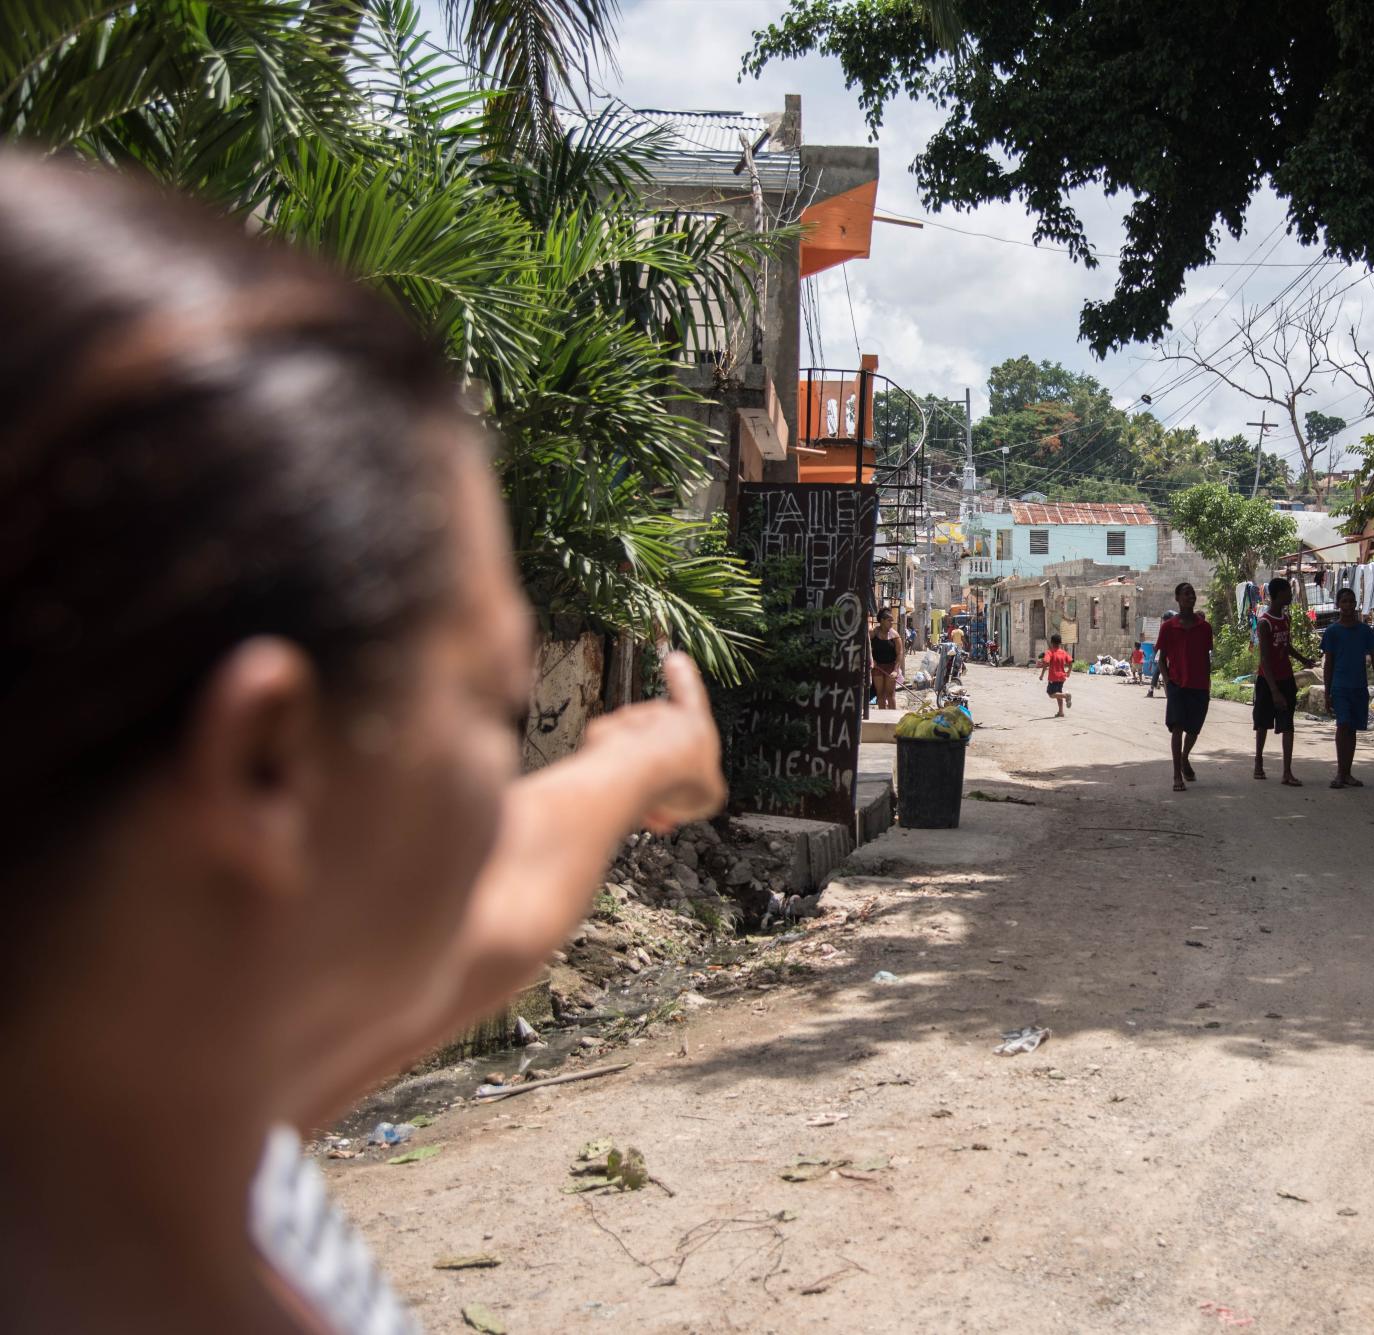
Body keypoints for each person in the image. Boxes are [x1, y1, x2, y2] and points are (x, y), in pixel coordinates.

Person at [0, 154, 728, 1333]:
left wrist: (644, 760)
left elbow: (494, 909)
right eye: (491, 708)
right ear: (266, 765)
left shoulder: (133, 1096)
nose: (503, 787)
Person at [1319, 587, 1374, 788]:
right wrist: (1327, 692)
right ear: (1338, 605)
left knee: (1352, 730)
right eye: (1344, 601)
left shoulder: (1364, 631)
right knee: (1343, 726)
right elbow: (1328, 664)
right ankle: (1340, 773)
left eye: (1351, 601)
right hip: (1339, 687)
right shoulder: (1332, 632)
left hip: (1359, 687)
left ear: (1355, 604)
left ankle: (1348, 773)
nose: (1348, 605)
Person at [1252, 576, 1317, 785]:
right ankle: (1258, 762)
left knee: (1288, 725)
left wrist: (1303, 660)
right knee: (1263, 724)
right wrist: (1274, 691)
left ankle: (1287, 771)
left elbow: (1286, 646)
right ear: (1279, 594)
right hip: (1267, 681)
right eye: (1289, 591)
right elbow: (1264, 659)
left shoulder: (1285, 619)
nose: (1291, 595)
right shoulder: (1265, 623)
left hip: (1286, 678)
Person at [1154, 582, 1213, 792]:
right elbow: (1161, 659)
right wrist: (1168, 683)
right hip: (1177, 684)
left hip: (1199, 686)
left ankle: (1184, 757)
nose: (1191, 596)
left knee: (1194, 729)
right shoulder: (1168, 627)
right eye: (1186, 593)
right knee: (1177, 728)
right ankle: (1176, 775)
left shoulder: (1205, 627)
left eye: (1193, 593)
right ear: (1177, 598)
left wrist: (1208, 684)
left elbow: (1206, 658)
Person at [870, 606, 904, 709]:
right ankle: (882, 717)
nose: (891, 623)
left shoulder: (895, 635)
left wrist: (896, 670)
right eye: (889, 620)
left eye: (892, 621)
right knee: (880, 695)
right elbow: (866, 647)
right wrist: (872, 660)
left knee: (890, 695)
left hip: (891, 667)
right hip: (877, 667)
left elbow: (900, 653)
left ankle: (892, 718)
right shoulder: (873, 633)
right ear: (882, 620)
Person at [1038, 633, 1074, 716]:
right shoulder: (1063, 652)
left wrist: (1042, 675)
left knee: (1051, 694)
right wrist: (1068, 672)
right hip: (1062, 677)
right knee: (1058, 693)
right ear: (1060, 642)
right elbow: (1070, 662)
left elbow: (1046, 663)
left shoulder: (1049, 652)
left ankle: (1066, 696)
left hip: (1053, 677)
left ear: (1052, 642)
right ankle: (1061, 712)